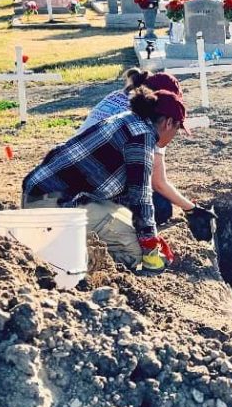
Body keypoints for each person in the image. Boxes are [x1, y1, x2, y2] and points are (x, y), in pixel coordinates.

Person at [22, 87, 189, 272]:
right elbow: (141, 197)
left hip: (41, 196)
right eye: (177, 129)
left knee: (130, 224)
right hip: (52, 208)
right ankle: (60, 260)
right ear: (168, 123)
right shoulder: (142, 136)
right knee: (134, 252)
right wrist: (149, 248)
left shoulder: (128, 120)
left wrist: (148, 235)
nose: (175, 136)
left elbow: (123, 196)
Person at [79, 69, 209, 228]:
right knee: (160, 207)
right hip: (95, 189)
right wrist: (192, 209)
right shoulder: (150, 119)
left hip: (74, 171)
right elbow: (158, 182)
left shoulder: (115, 96)